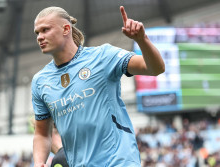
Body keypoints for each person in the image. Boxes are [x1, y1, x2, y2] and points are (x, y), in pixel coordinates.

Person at [31, 6, 165, 167]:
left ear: (66, 29)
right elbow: (41, 133)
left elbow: (155, 68)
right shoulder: (40, 81)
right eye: (37, 33)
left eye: (45, 30)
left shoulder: (103, 56)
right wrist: (39, 162)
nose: (40, 37)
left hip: (118, 161)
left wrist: (142, 40)